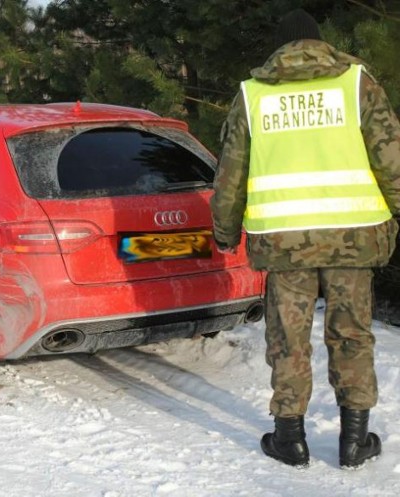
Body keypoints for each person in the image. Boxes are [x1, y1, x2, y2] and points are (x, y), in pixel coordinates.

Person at [210, 8, 400, 469]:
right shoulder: (356, 83)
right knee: (352, 334)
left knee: (287, 338)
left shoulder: (252, 96)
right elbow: (391, 158)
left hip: (283, 242)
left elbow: (231, 176)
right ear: (319, 43)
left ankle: (289, 440)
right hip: (353, 239)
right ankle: (355, 442)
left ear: (279, 48)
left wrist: (225, 231)